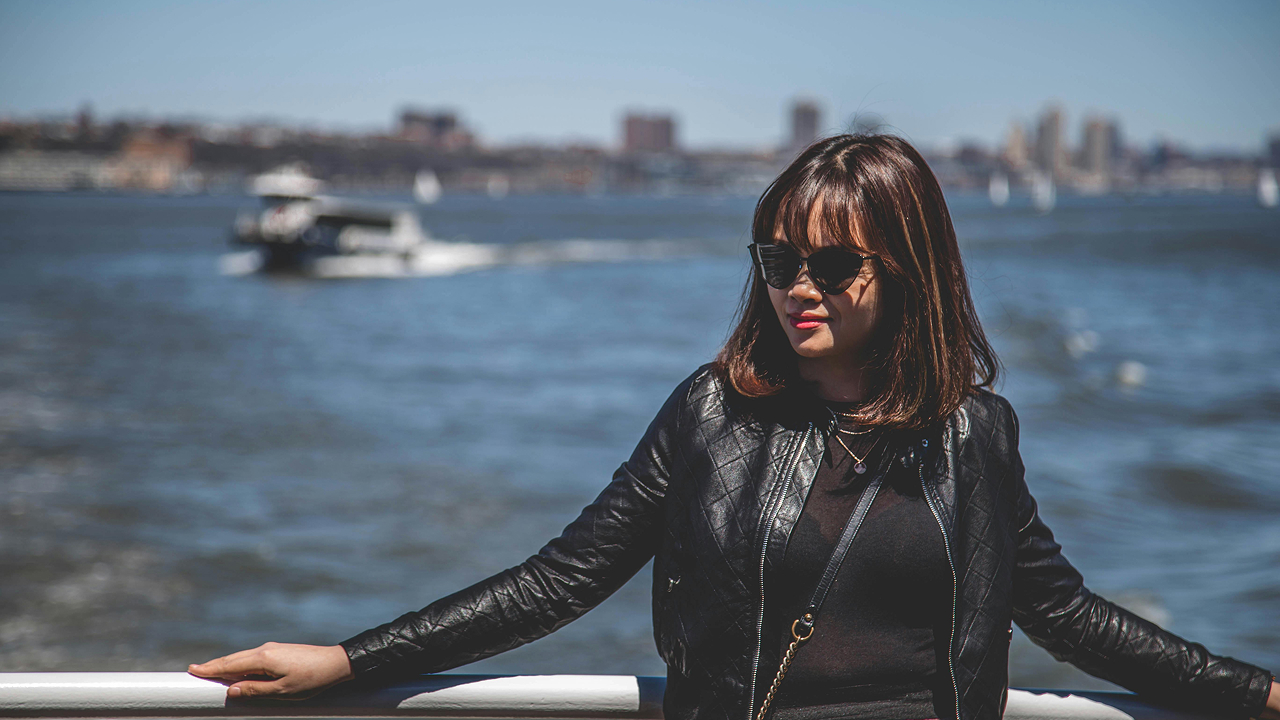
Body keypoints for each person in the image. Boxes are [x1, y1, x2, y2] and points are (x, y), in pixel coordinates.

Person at [189, 134, 1280, 720]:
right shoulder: (712, 413)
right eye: (776, 261)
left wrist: (1255, 692)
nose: (796, 287)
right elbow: (559, 580)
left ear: (905, 273)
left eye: (832, 264)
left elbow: (1065, 614)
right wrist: (348, 658)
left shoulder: (972, 434)